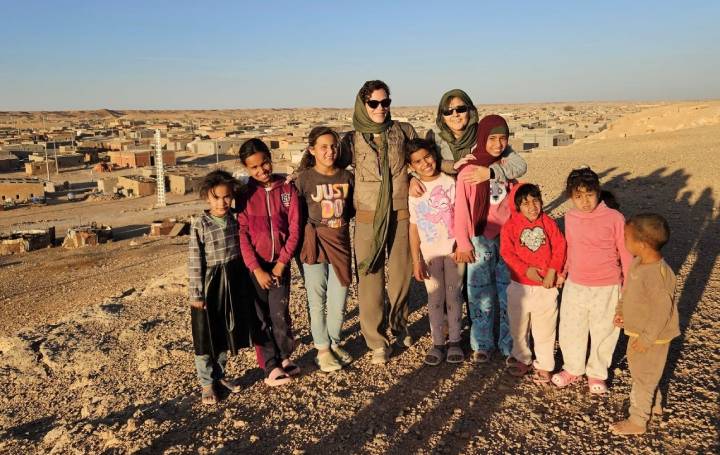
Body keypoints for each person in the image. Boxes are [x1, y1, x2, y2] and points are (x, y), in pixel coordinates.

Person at [335, 80, 418, 365]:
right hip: (368, 215)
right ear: (363, 104)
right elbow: (330, 166)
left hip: (401, 211)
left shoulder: (403, 131)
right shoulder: (351, 139)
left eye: (386, 102)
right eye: (374, 103)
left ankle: (400, 326)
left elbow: (421, 159)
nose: (381, 108)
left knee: (400, 275)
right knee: (369, 278)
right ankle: (375, 339)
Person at [551, 166, 632, 394]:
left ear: (598, 191)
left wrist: (627, 292)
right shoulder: (570, 217)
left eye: (589, 194)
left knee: (604, 331)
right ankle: (573, 368)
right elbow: (570, 248)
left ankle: (597, 373)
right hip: (575, 284)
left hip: (607, 286)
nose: (585, 201)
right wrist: (563, 272)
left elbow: (625, 256)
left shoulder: (615, 218)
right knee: (570, 328)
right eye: (578, 196)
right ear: (571, 197)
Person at [236, 138, 302, 385]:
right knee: (260, 317)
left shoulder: (286, 189)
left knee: (280, 312)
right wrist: (255, 269)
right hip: (255, 268)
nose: (261, 170)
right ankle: (270, 365)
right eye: (254, 167)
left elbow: (294, 228)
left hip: (279, 264)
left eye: (264, 163)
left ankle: (284, 356)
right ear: (246, 169)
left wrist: (282, 263)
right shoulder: (245, 194)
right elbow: (242, 233)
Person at [188, 170, 256, 404]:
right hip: (210, 284)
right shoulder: (200, 224)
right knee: (205, 335)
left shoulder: (236, 219)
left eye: (227, 197)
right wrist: (197, 294)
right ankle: (207, 383)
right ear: (208, 197)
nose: (222, 202)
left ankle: (220, 375)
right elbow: (195, 261)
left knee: (226, 332)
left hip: (233, 279)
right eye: (217, 197)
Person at [454, 114, 516, 363]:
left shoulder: (505, 167)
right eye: (492, 138)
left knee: (507, 292)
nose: (498, 144)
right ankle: (482, 343)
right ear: (482, 138)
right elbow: (462, 209)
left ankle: (509, 344)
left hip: (507, 237)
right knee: (480, 293)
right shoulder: (468, 171)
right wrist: (464, 242)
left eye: (503, 138)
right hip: (480, 237)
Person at [611, 213, 679, 435]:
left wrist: (647, 339)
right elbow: (629, 292)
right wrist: (622, 311)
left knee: (644, 378)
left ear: (641, 244)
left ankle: (638, 421)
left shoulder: (659, 276)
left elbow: (661, 312)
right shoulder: (639, 263)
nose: (624, 241)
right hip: (638, 331)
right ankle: (654, 405)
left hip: (653, 337)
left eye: (626, 238)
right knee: (645, 373)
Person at [295, 126, 354, 372]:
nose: (329, 151)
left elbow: (350, 211)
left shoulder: (347, 177)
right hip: (314, 244)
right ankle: (322, 348)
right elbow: (294, 213)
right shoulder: (304, 178)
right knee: (317, 299)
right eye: (323, 147)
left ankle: (334, 341)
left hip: (340, 244)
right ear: (312, 150)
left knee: (339, 298)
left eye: (333, 146)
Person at [406, 138, 464, 365]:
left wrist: (462, 244)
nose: (425, 163)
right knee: (434, 298)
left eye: (427, 157)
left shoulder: (450, 183)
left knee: (454, 295)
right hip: (429, 253)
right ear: (411, 167)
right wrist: (415, 260)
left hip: (452, 251)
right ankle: (438, 342)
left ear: (435, 155)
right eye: (418, 161)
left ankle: (456, 341)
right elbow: (413, 227)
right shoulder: (414, 190)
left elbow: (461, 216)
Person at [500, 183, 566, 382]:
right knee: (518, 327)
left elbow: (560, 247)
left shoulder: (549, 223)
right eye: (525, 202)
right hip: (519, 285)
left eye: (535, 200)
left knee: (545, 328)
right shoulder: (510, 226)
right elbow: (507, 252)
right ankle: (522, 358)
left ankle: (545, 364)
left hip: (546, 287)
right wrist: (525, 270)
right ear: (517, 206)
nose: (532, 206)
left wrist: (553, 272)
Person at [410, 89, 526, 197]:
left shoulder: (484, 134)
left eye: (461, 109)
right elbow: (423, 163)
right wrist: (412, 179)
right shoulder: (433, 136)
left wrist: (491, 172)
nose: (455, 114)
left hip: (479, 197)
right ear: (442, 116)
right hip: (445, 198)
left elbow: (519, 166)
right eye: (448, 111)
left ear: (470, 111)